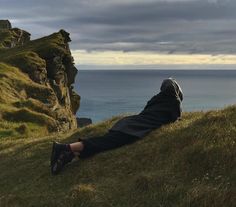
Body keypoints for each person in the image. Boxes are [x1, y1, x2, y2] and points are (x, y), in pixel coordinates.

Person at [50, 78, 183, 175]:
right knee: (102, 143)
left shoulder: (156, 98)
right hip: (133, 130)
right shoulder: (174, 101)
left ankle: (67, 156)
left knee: (103, 143)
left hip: (128, 123)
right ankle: (64, 148)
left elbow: (146, 113)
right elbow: (175, 118)